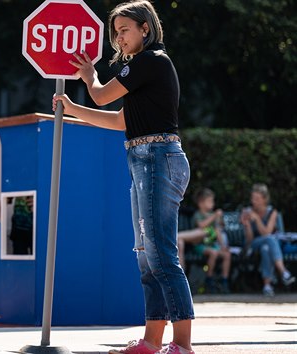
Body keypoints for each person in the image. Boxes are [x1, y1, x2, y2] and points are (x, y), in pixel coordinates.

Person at [52, 1, 194, 353]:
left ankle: (183, 345)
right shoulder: (143, 68)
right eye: (116, 32)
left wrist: (89, 76)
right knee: (146, 255)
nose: (119, 38)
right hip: (146, 158)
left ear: (145, 28)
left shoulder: (150, 61)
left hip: (157, 158)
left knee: (161, 255)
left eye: (124, 30)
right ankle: (151, 341)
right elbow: (119, 121)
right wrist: (72, 109)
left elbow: (101, 96)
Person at [240, 183, 295, 296]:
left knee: (266, 248)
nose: (253, 201)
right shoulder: (247, 212)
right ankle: (283, 272)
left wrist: (257, 219)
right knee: (268, 240)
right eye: (252, 198)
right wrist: (247, 225)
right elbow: (250, 239)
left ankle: (267, 286)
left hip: (271, 245)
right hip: (254, 244)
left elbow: (267, 232)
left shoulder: (272, 212)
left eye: (257, 198)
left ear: (265, 199)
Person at [177, 188, 231, 293]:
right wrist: (215, 216)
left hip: (213, 245)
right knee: (213, 252)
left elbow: (218, 231)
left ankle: (224, 280)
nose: (213, 204)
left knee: (226, 254)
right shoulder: (198, 215)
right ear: (201, 203)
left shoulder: (213, 216)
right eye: (210, 201)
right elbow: (201, 226)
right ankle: (209, 278)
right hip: (200, 246)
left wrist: (223, 245)